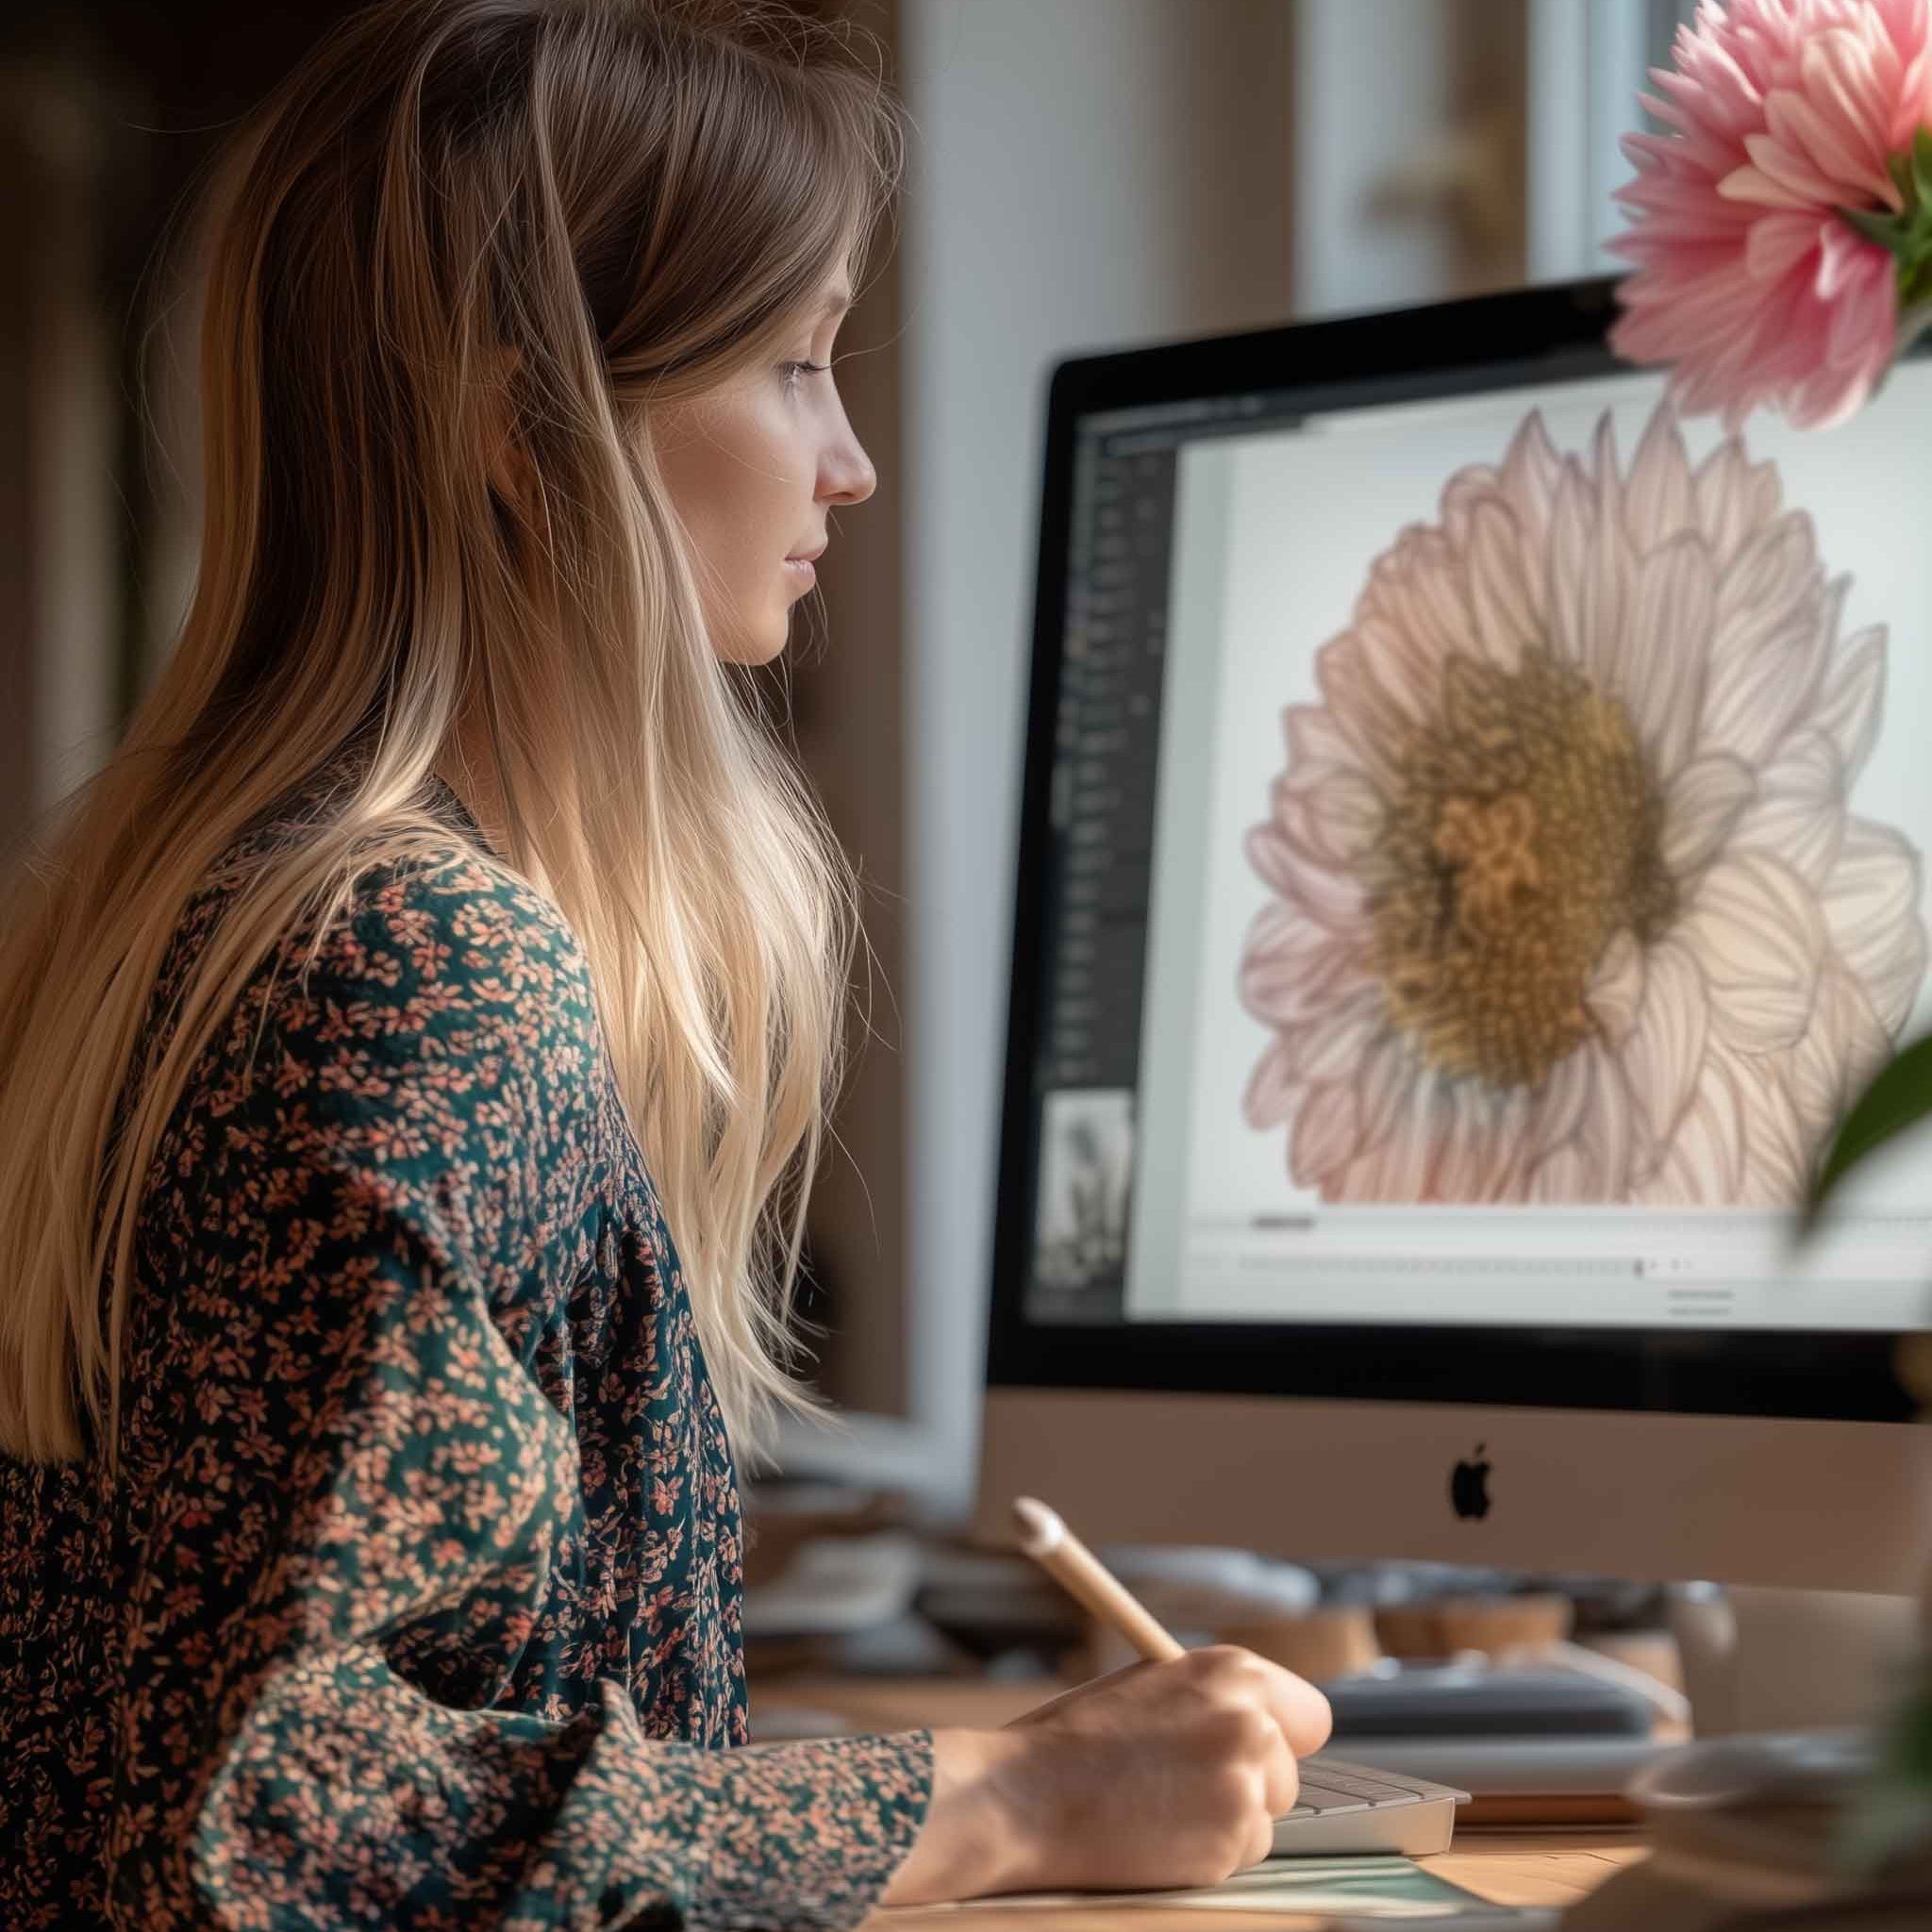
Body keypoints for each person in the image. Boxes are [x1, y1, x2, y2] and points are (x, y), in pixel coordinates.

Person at [0, 1, 1332, 1924]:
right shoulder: (413, 965)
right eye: (793, 364)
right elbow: (271, 1831)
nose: (852, 460)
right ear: (516, 427)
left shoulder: (172, 919)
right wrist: (1015, 1801)